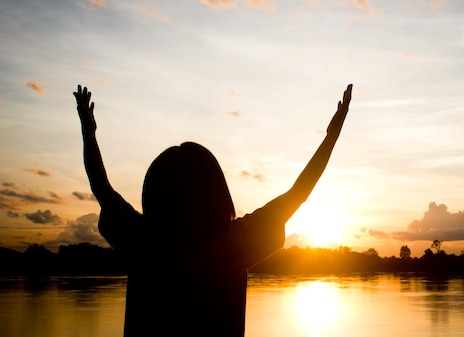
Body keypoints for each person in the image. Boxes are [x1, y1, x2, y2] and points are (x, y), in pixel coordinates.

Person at [74, 83, 352, 336]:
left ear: (154, 194)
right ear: (218, 194)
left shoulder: (143, 241)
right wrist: (330, 138)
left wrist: (89, 134)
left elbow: (101, 187)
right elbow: (298, 194)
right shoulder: (235, 244)